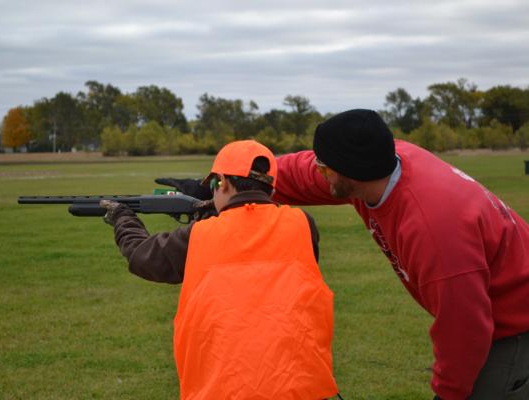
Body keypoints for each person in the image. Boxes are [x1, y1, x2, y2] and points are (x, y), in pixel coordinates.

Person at [158, 110, 529, 400]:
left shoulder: (432, 226)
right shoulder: (380, 165)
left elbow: (464, 326)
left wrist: (447, 394)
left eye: (324, 167)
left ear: (350, 173)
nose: (318, 172)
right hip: (485, 313)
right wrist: (225, 184)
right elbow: (298, 172)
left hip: (513, 325)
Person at [102, 140, 341, 400]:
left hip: (224, 390)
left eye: (214, 185)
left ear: (223, 183)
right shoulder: (303, 224)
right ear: (272, 188)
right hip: (301, 388)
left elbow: (141, 255)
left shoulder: (198, 236)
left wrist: (122, 218)